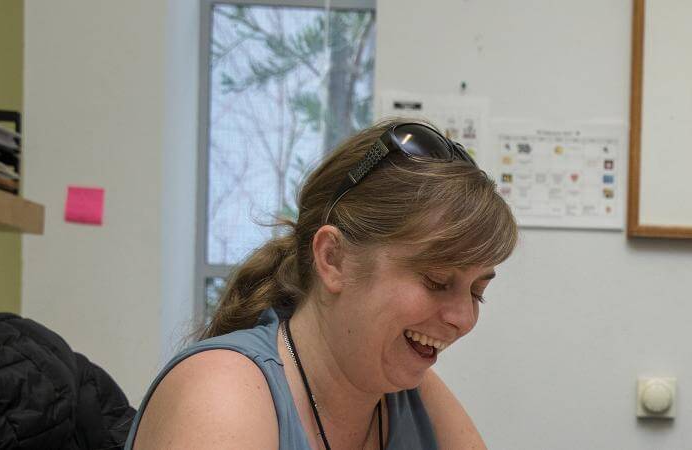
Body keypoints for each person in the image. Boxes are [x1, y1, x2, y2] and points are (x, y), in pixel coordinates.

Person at [127, 120, 517, 449]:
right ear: (333, 258)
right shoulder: (221, 394)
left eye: (477, 292)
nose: (463, 319)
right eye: (436, 281)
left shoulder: (414, 397)